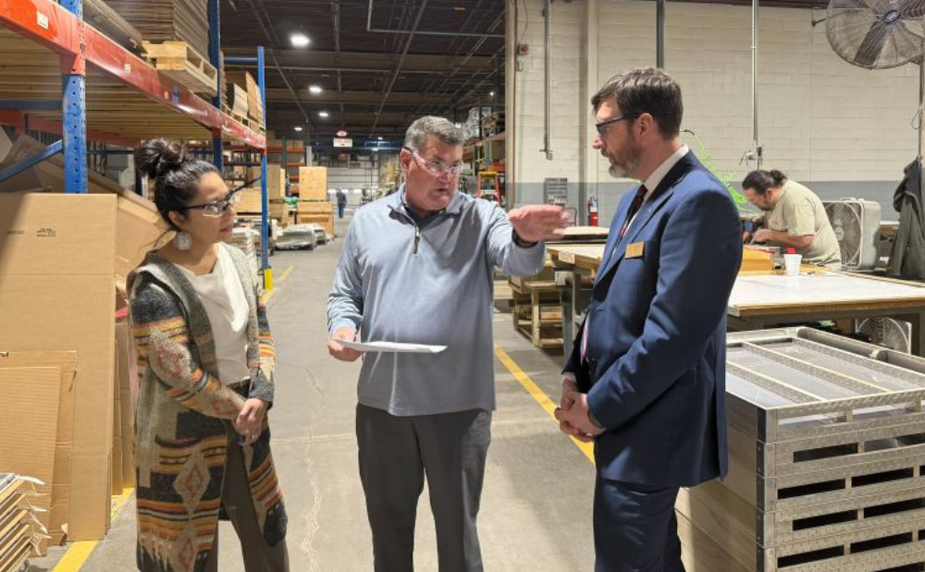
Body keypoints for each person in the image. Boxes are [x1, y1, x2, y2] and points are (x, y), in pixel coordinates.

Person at [327, 115, 569, 572]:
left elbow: (514, 259)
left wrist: (527, 236)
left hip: (458, 407)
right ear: (406, 160)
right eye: (437, 163)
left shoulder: (482, 218)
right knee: (389, 529)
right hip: (383, 406)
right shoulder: (367, 222)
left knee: (458, 534)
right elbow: (346, 293)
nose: (449, 177)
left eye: (457, 166)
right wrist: (342, 328)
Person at [554, 68, 743, 572]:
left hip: (652, 427)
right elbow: (606, 302)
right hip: (621, 413)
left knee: (625, 561)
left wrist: (598, 408)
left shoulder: (700, 201)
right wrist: (576, 374)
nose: (598, 143)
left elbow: (673, 338)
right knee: (654, 558)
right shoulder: (635, 200)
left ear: (643, 125)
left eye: (604, 128)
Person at [127, 139, 289, 572]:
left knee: (267, 538)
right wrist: (241, 408)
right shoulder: (155, 284)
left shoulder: (236, 260)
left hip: (248, 423)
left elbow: (261, 330)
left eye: (229, 200)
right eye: (214, 207)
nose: (230, 213)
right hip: (183, 436)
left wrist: (263, 390)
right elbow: (178, 375)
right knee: (186, 553)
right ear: (179, 217)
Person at [742, 169, 842, 269]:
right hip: (796, 264)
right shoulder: (772, 199)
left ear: (768, 193)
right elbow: (783, 218)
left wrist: (768, 234)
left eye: (753, 200)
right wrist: (761, 219)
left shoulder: (795, 200)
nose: (752, 204)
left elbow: (803, 240)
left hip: (819, 266)